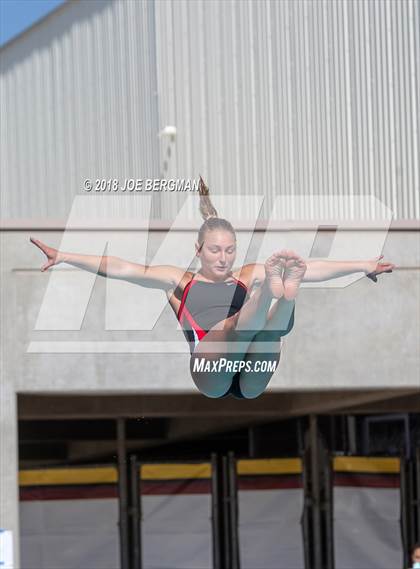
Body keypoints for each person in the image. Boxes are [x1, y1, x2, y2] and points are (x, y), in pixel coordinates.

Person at [30, 176, 395, 399]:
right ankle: (272, 292)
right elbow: (123, 268)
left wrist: (363, 265)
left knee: (271, 333)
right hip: (211, 373)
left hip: (252, 378)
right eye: (215, 250)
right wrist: (65, 255)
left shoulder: (245, 271)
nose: (223, 258)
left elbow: (313, 268)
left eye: (230, 250)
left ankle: (281, 291)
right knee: (236, 325)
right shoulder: (180, 281)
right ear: (199, 250)